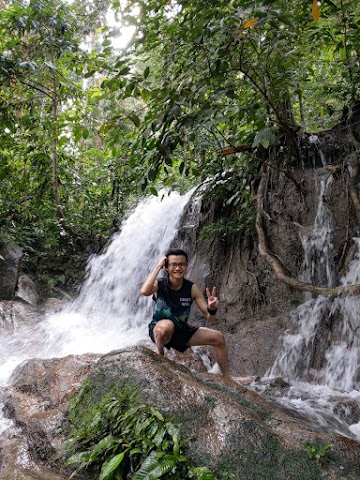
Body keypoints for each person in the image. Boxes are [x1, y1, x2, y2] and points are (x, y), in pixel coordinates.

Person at [140, 248, 231, 379]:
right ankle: (160, 355)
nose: (178, 268)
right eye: (173, 264)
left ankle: (228, 378)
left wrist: (212, 308)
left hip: (181, 331)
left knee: (218, 337)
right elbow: (144, 291)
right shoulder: (159, 284)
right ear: (166, 267)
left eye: (181, 264)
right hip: (160, 331)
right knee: (166, 325)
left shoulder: (192, 288)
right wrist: (157, 267)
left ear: (187, 266)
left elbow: (210, 318)